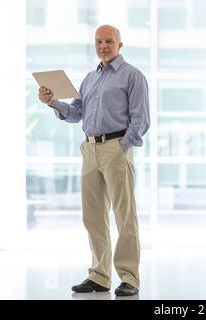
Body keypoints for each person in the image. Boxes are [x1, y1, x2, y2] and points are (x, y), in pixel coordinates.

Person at [38, 24, 150, 296]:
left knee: (125, 216)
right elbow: (77, 113)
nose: (103, 46)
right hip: (89, 150)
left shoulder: (132, 76)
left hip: (115, 148)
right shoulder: (89, 78)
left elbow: (141, 119)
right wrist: (53, 103)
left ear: (119, 44)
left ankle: (129, 277)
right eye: (99, 41)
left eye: (109, 41)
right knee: (93, 216)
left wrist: (122, 147)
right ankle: (99, 275)